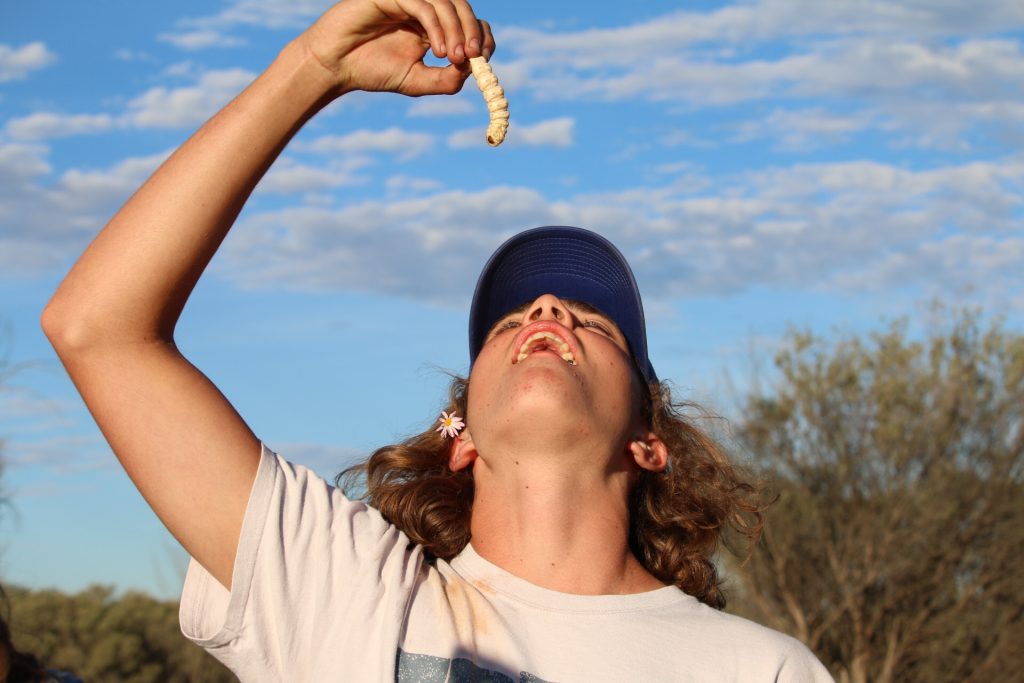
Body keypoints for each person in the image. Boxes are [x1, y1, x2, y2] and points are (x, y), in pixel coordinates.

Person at [41, 0, 834, 680]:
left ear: (649, 443)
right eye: (508, 325)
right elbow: (97, 329)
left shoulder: (760, 667)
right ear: (463, 437)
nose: (546, 307)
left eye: (593, 323)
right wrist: (313, 67)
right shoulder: (343, 588)